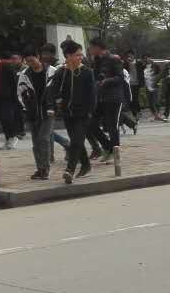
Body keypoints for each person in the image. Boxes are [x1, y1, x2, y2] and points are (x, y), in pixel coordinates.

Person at [47, 40, 98, 184]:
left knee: (76, 141)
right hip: (68, 113)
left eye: (81, 55)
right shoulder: (61, 72)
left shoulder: (87, 72)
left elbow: (92, 94)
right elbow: (52, 90)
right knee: (78, 142)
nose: (80, 58)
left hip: (83, 114)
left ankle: (69, 170)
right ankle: (86, 165)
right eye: (77, 55)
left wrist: (90, 111)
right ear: (68, 56)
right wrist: (51, 106)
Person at [87, 38, 127, 163]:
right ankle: (108, 148)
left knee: (112, 127)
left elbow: (121, 78)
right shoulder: (96, 60)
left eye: (91, 47)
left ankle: (115, 155)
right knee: (91, 125)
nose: (90, 50)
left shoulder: (114, 58)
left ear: (98, 47)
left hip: (114, 98)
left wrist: (106, 81)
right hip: (100, 98)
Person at [19, 51, 53, 180]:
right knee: (36, 142)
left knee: (43, 139)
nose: (30, 64)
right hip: (32, 112)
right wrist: (25, 108)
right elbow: (20, 92)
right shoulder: (25, 74)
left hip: (48, 111)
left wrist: (55, 105)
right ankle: (40, 169)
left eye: (32, 60)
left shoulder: (51, 71)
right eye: (28, 61)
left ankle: (45, 169)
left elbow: (58, 89)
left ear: (38, 57)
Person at [0, 53, 23, 150]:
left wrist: (14, 96)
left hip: (8, 98)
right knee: (2, 119)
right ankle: (8, 139)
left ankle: (13, 137)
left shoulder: (5, 65)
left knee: (7, 117)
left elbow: (13, 81)